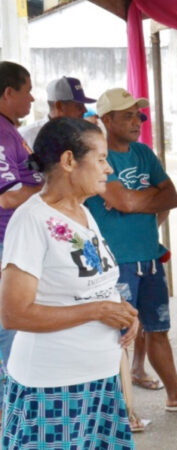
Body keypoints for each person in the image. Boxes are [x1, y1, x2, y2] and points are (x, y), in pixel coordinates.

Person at [0, 117, 138, 447]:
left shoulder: (82, 211)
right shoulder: (32, 220)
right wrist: (98, 310)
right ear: (68, 161)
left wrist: (121, 310)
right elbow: (14, 314)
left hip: (97, 381)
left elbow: (88, 284)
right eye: (101, 158)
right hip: (53, 387)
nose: (109, 169)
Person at [86, 87, 177, 415]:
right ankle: (121, 410)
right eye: (127, 115)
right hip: (117, 262)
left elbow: (171, 197)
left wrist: (133, 202)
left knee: (158, 329)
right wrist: (138, 199)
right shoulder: (99, 156)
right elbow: (122, 201)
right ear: (107, 119)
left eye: (138, 114)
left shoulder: (143, 153)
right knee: (119, 337)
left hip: (149, 256)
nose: (137, 120)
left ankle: (176, 394)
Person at [0, 61, 42, 400]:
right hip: (6, 242)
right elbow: (8, 197)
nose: (32, 98)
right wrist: (55, 188)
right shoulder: (0, 132)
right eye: (27, 91)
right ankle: (14, 404)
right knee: (10, 327)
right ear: (8, 92)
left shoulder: (10, 130)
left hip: (15, 240)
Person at [20, 76, 95, 145]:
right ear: (59, 106)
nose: (85, 110)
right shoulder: (27, 136)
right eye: (79, 106)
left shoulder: (81, 135)